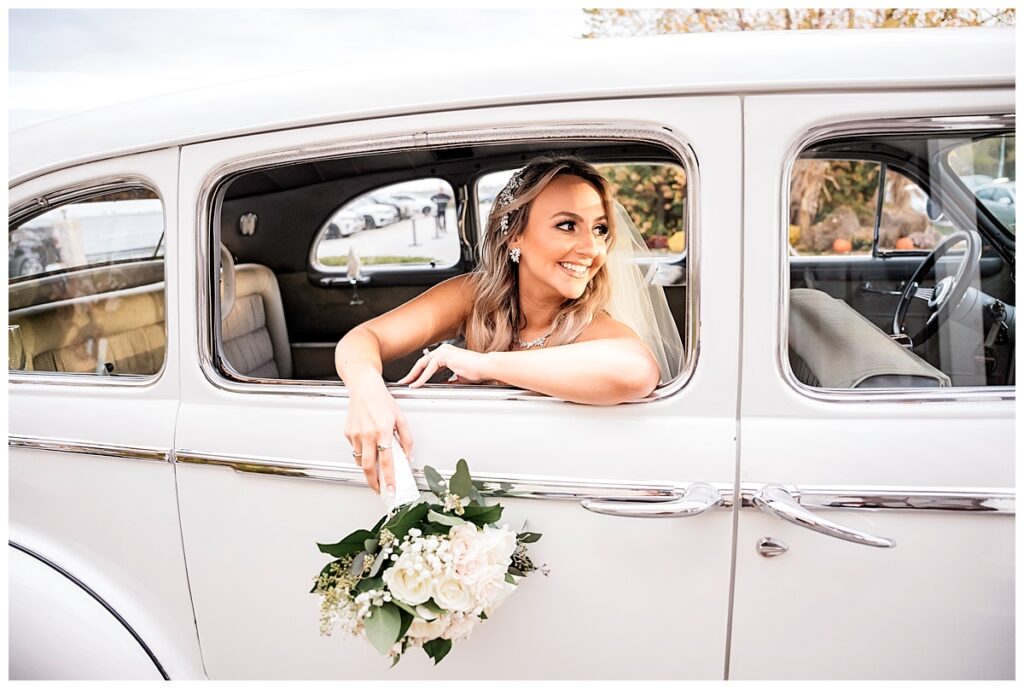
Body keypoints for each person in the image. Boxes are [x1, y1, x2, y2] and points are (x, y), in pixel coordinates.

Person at [336, 155, 681, 497]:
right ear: (516, 236)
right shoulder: (472, 297)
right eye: (567, 225)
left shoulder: (591, 324)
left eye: (600, 229)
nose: (591, 248)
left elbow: (639, 371)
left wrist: (482, 363)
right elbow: (364, 338)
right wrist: (366, 387)